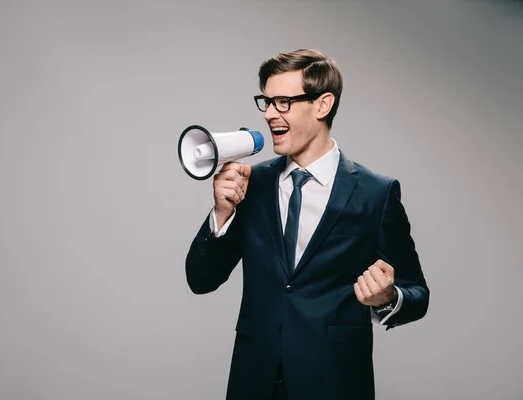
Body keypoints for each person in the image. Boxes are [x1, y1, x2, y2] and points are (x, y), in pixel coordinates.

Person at [184, 49, 429, 400]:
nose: (269, 114)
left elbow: (418, 294)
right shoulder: (251, 183)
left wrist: (389, 297)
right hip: (254, 382)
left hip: (335, 385)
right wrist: (222, 214)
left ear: (322, 105)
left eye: (282, 102)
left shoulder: (376, 193)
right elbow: (200, 280)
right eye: (266, 102)